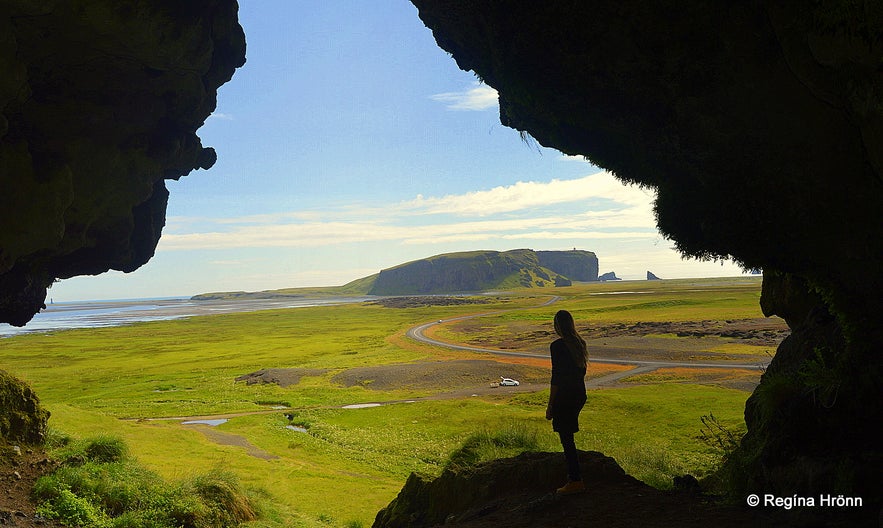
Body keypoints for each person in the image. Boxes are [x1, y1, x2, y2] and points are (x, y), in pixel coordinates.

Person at [545, 309, 588, 495]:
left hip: (565, 395)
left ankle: (575, 480)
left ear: (557, 326)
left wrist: (550, 404)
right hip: (579, 393)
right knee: (568, 435)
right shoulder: (580, 343)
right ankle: (575, 478)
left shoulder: (557, 346)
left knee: (566, 438)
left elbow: (557, 378)